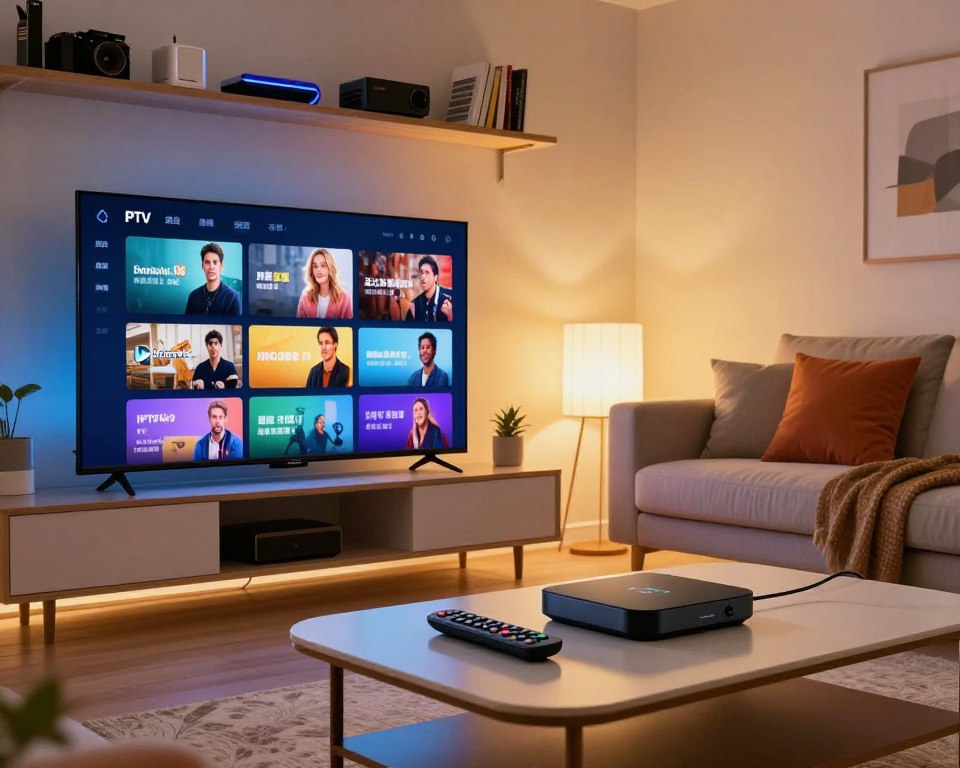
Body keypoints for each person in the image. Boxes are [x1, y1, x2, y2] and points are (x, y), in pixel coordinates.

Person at [184, 243, 241, 316]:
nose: (211, 267)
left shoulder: (233, 297)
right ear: (202, 266)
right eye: (207, 262)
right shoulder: (193, 296)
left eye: (215, 262)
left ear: (221, 266)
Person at [296, 247, 353, 319]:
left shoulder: (345, 298)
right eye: (315, 266)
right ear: (311, 270)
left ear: (330, 268)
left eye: (323, 265)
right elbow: (299, 327)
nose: (318, 270)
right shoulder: (305, 296)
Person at [405, 255, 453, 323]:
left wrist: (450, 316)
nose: (423, 277)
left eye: (427, 273)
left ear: (435, 277)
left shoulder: (450, 299)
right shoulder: (414, 305)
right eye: (421, 273)